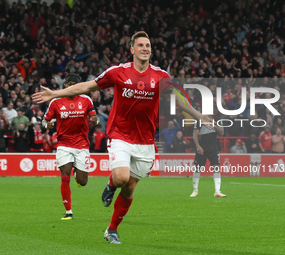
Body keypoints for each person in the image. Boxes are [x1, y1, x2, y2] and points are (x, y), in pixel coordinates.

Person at [32, 31, 211, 244]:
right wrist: (55, 93)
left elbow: (177, 100)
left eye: (148, 45)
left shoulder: (161, 76)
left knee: (130, 187)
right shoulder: (118, 72)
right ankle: (110, 184)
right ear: (132, 50)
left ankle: (111, 230)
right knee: (121, 178)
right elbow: (87, 86)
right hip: (120, 135)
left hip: (145, 141)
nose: (145, 48)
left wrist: (198, 115)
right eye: (141, 45)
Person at [42, 73, 98, 220]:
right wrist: (46, 125)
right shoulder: (56, 101)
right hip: (64, 144)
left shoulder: (86, 100)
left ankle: (77, 174)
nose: (71, 86)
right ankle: (68, 212)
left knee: (83, 182)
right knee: (64, 177)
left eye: (75, 83)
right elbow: (44, 121)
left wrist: (95, 120)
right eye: (69, 83)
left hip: (82, 145)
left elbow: (94, 118)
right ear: (65, 85)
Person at [190, 118, 226, 198]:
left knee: (216, 167)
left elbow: (221, 132)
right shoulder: (200, 120)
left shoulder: (218, 120)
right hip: (202, 145)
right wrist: (198, 146)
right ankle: (195, 190)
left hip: (213, 146)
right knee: (198, 168)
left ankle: (217, 191)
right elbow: (195, 134)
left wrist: (214, 124)